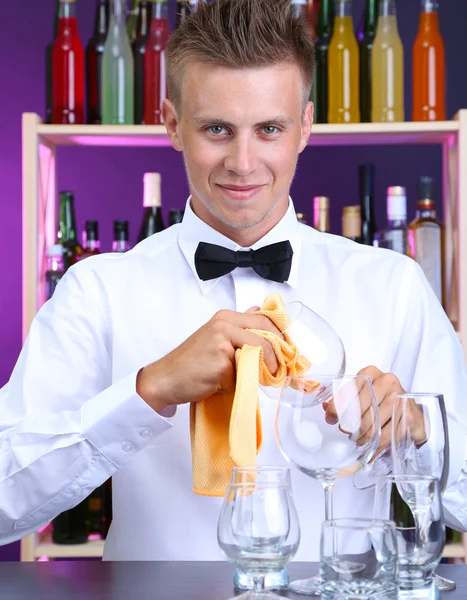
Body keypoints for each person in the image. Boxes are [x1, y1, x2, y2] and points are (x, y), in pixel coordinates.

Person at [1, 0, 466, 561]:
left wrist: (419, 433)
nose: (243, 163)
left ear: (305, 128)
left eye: (269, 128)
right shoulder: (96, 291)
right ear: (172, 124)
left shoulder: (392, 286)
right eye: (217, 129)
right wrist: (146, 391)